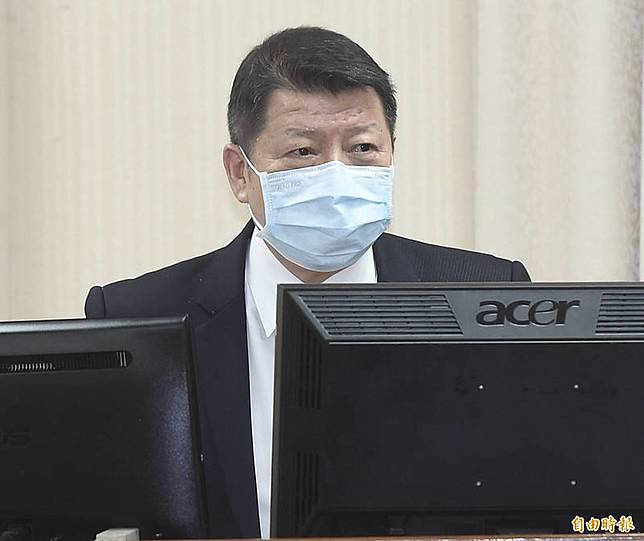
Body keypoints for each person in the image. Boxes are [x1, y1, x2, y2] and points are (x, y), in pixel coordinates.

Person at [85, 26, 530, 538]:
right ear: (239, 172)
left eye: (363, 147)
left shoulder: (486, 296)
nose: (337, 176)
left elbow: (528, 494)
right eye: (303, 152)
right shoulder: (140, 317)